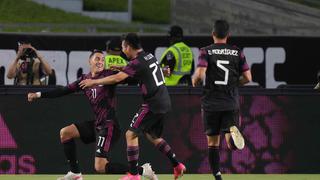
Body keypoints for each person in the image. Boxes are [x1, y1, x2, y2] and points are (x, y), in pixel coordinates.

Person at [27, 50, 157, 180]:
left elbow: (134, 76)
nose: (100, 62)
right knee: (65, 133)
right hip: (98, 124)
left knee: (100, 167)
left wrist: (160, 72)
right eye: (97, 59)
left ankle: (142, 170)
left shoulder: (109, 75)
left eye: (102, 59)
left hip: (109, 126)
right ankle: (75, 173)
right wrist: (38, 94)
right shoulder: (84, 80)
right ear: (90, 61)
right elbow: (63, 90)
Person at [79, 33, 186, 180]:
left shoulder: (137, 62)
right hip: (164, 101)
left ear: (128, 46)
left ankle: (134, 175)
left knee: (130, 134)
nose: (123, 50)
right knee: (153, 136)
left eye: (123, 46)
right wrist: (124, 67)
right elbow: (143, 69)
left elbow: (117, 78)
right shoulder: (148, 56)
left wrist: (93, 82)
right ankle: (177, 165)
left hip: (152, 103)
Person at [192, 20, 252, 180]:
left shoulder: (205, 51)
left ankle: (217, 176)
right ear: (228, 35)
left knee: (212, 143)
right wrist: (233, 83)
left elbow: (200, 74)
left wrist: (195, 81)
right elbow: (248, 78)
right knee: (230, 141)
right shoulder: (237, 52)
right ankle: (232, 136)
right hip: (230, 102)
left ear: (213, 34)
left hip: (211, 103)